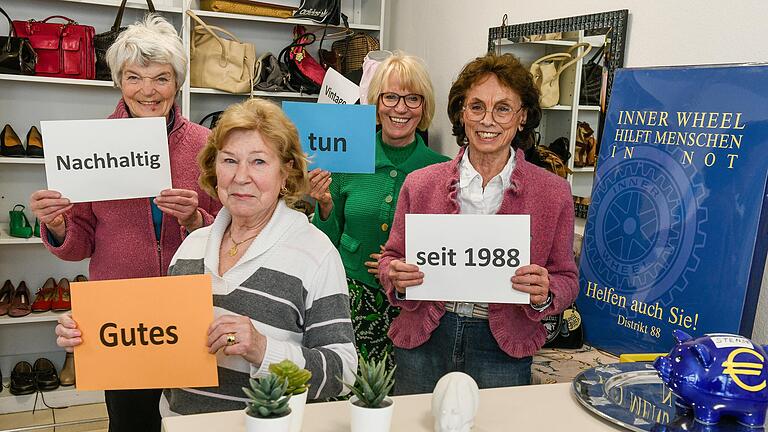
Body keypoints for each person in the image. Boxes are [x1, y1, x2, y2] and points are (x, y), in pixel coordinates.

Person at [55, 98, 358, 415]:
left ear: (286, 173)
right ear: (214, 169)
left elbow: (344, 372)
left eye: (258, 162)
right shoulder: (191, 247)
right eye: (229, 161)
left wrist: (262, 349)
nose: (241, 177)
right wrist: (93, 335)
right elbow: (156, 347)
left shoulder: (315, 253)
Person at [31, 15, 220, 432]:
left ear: (178, 83)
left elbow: (231, 231)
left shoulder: (207, 146)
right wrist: (59, 224)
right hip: (120, 313)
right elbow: (79, 244)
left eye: (161, 78)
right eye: (134, 77)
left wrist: (195, 219)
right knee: (131, 422)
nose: (148, 91)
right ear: (119, 81)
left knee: (196, 420)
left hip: (189, 306)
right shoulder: (91, 144)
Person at [378, 53, 579, 395]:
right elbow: (390, 259)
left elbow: (567, 278)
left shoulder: (553, 193)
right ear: (461, 113)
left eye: (503, 108)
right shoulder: (420, 183)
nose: (488, 120)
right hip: (426, 338)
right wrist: (396, 277)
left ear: (522, 117)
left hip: (501, 346)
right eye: (476, 107)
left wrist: (547, 293)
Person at [308, 52, 449, 371]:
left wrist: (401, 263)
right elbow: (324, 244)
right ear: (375, 102)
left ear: (424, 107)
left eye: (413, 98)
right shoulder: (347, 157)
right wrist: (325, 205)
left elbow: (447, 248)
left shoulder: (441, 171)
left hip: (414, 307)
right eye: (390, 97)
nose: (401, 108)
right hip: (351, 301)